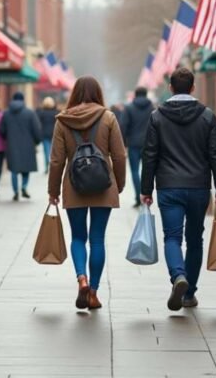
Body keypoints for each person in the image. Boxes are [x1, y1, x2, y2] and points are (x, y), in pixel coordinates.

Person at [141, 68, 216, 311]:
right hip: (199, 187)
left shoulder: (157, 117)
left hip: (168, 187)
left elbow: (150, 155)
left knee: (172, 237)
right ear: (193, 88)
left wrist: (146, 189)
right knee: (195, 239)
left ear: (170, 88)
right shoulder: (208, 117)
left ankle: (178, 275)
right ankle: (189, 293)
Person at [48, 76, 126, 310]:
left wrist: (53, 190)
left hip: (74, 185)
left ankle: (81, 278)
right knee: (98, 238)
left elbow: (56, 161)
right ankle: (93, 292)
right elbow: (120, 155)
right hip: (103, 184)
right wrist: (118, 184)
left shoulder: (63, 121)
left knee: (78, 237)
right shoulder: (108, 117)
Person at [0, 92, 42, 201]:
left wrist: (7, 138)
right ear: (23, 100)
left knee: (14, 170)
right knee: (26, 168)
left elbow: (2, 130)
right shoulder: (30, 113)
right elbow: (37, 130)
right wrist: (37, 142)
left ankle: (15, 191)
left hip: (12, 145)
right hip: (28, 145)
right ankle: (23, 186)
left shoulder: (6, 113)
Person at [123, 87, 154, 207]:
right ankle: (146, 195)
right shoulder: (152, 108)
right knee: (147, 171)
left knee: (135, 171)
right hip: (149, 144)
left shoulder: (129, 108)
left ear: (135, 95)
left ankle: (138, 197)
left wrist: (124, 143)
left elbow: (124, 126)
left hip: (133, 144)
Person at [37, 96, 59, 172]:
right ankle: (53, 165)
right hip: (54, 133)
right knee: (54, 151)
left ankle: (47, 166)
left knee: (46, 150)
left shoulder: (41, 113)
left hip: (44, 134)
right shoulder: (56, 112)